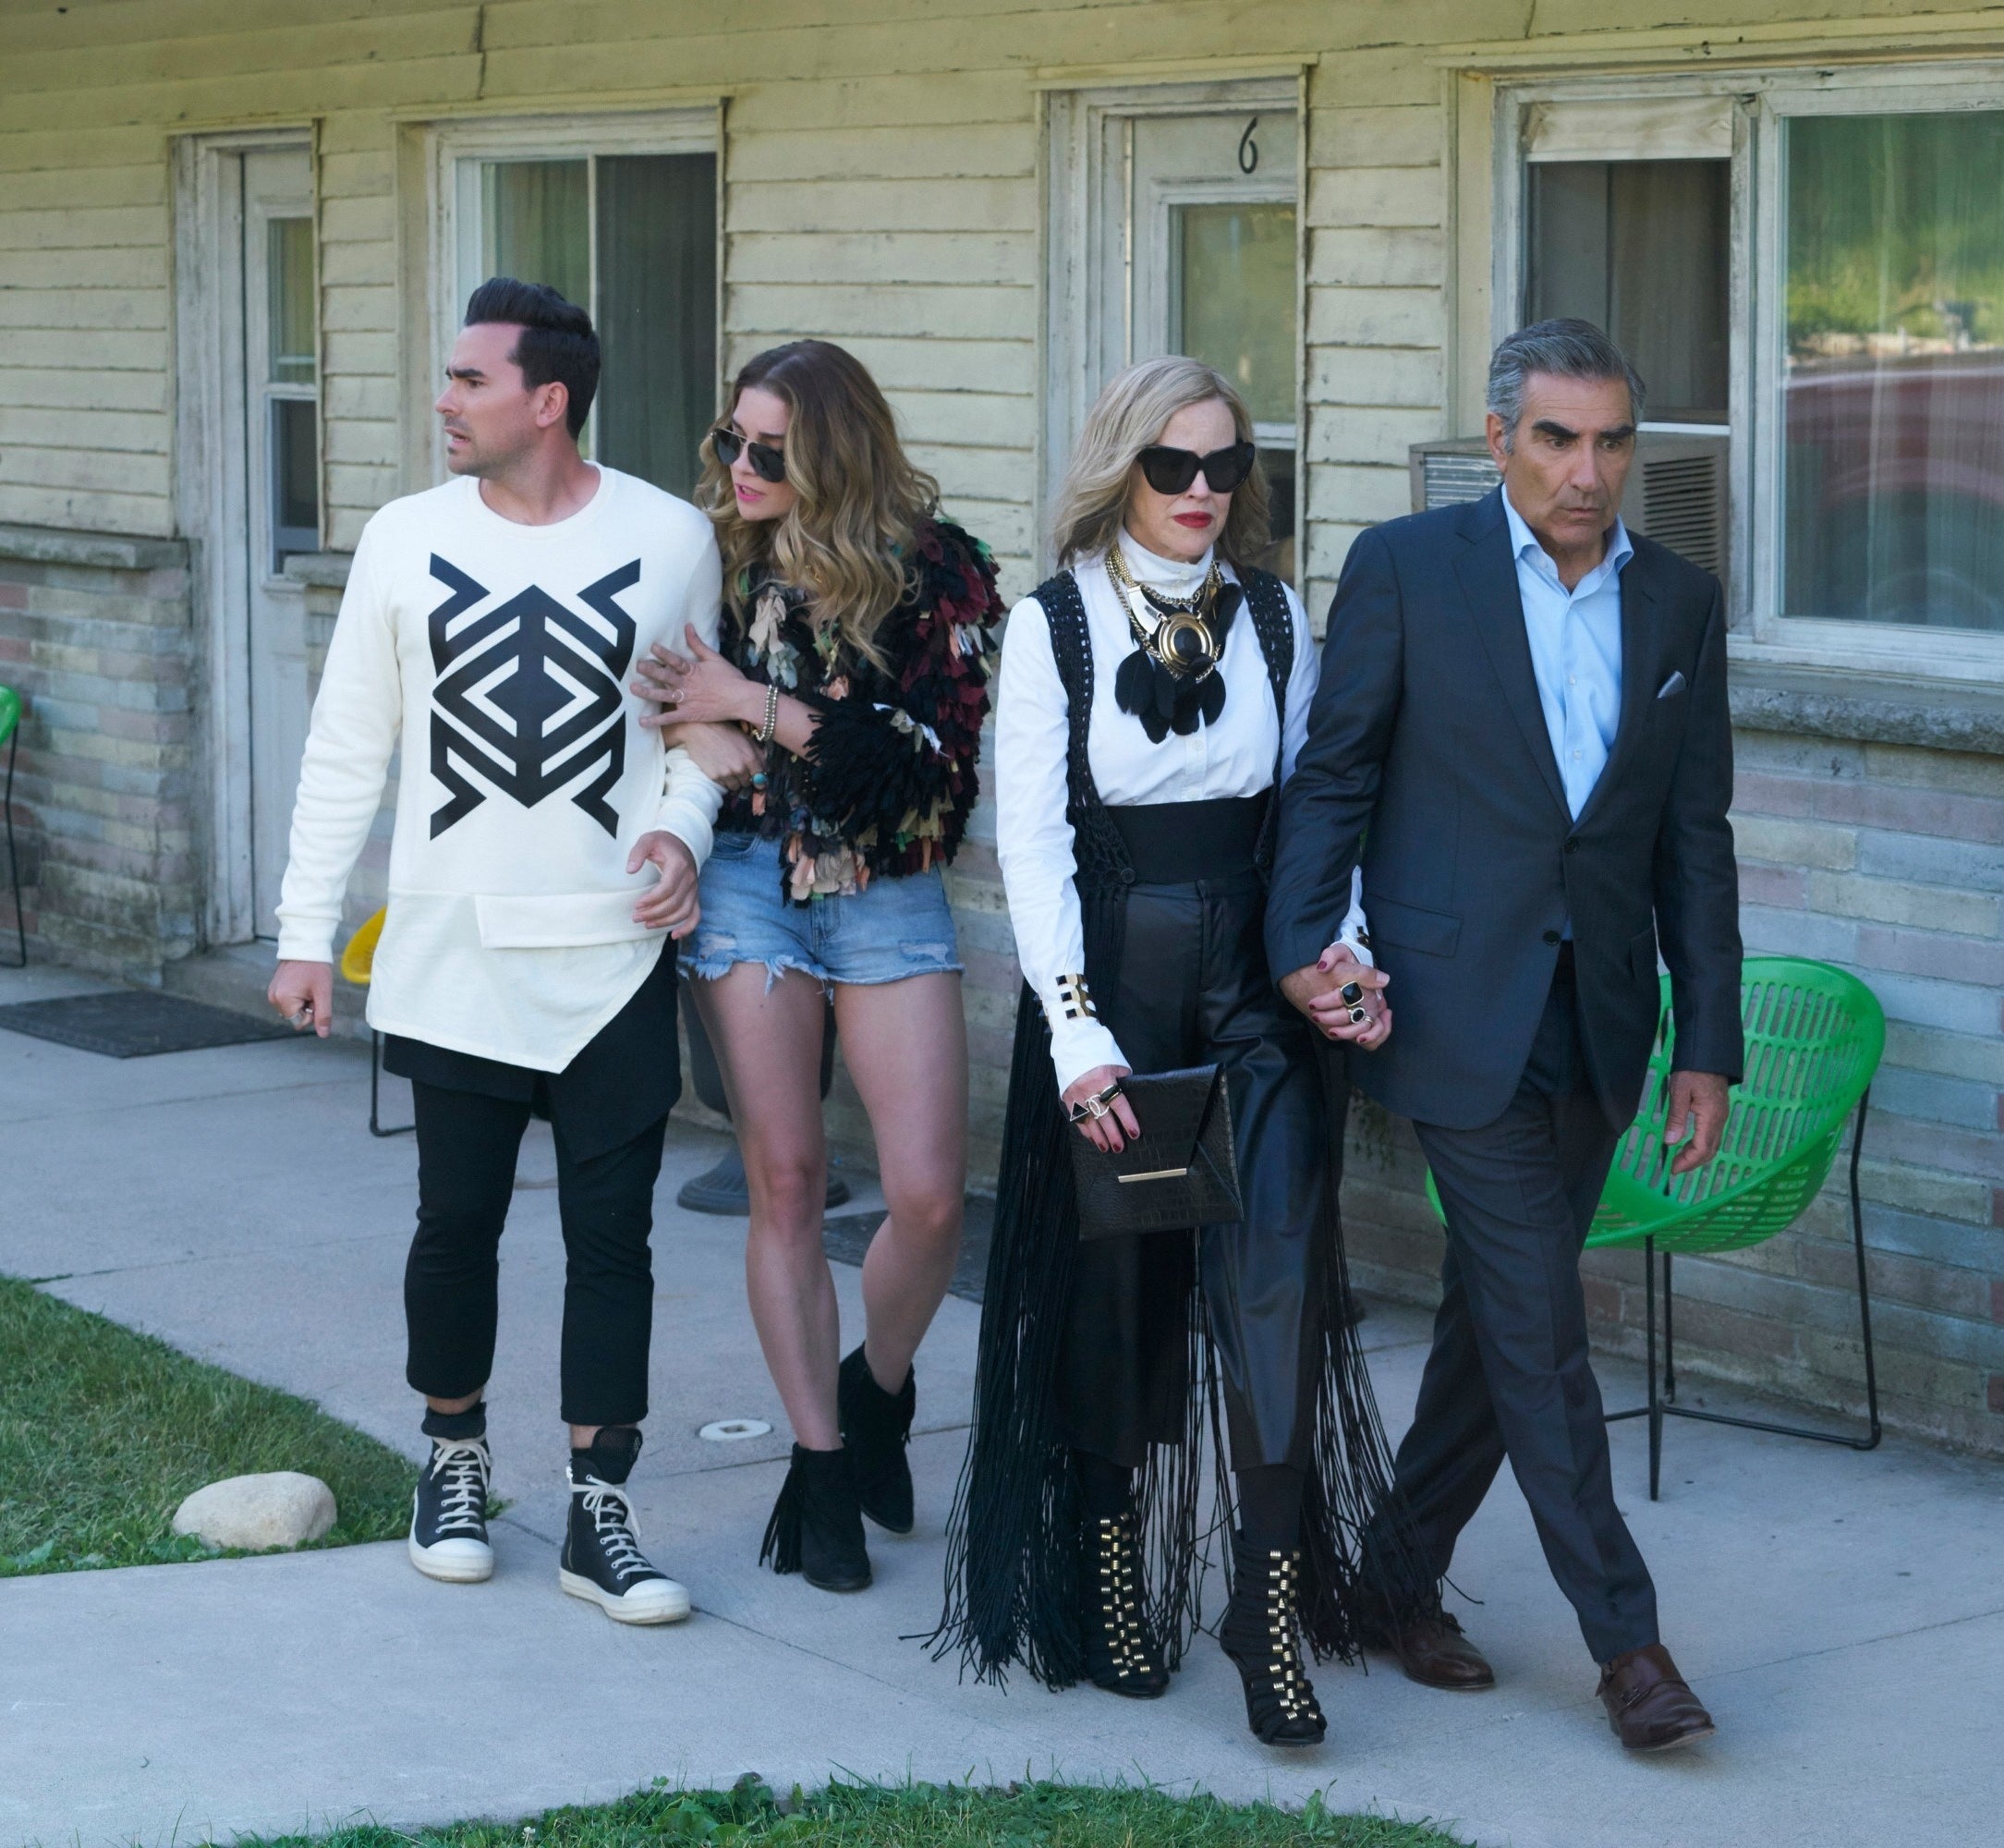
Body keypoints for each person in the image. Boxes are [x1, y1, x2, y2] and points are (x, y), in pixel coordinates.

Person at [935, 355, 1431, 1749]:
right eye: (1172, 465)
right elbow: (1028, 846)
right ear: (1118, 467)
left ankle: (1265, 1605)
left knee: (1273, 1286)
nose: (1203, 490)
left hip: (1257, 987)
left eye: (1226, 465)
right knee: (1125, 1292)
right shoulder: (1056, 628)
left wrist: (1343, 954)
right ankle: (1105, 1560)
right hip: (1119, 994)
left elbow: (1318, 810)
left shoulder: (1274, 615)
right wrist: (1077, 1035)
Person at [1266, 319, 1743, 1753]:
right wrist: (1302, 945)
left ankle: (1386, 1582)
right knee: (1542, 1330)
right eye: (1554, 437)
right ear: (1498, 440)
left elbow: (1691, 839)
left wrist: (1703, 1040)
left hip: (1595, 1024)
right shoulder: (1409, 570)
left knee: (1495, 1316)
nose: (1585, 470)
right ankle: (1628, 1646)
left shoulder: (1678, 601)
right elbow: (1335, 774)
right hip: (1448, 1008)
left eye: (1609, 441)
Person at [268, 278, 724, 1626]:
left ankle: (601, 1510)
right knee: (453, 1226)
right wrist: (305, 936)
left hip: (609, 958)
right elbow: (348, 745)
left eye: (468, 380)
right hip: (454, 950)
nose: (443, 401)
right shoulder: (403, 541)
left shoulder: (669, 535)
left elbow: (697, 729)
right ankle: (452, 1462)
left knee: (614, 1244)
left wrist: (684, 833)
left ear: (549, 400)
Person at [631, 339, 1002, 1595]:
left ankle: (879, 1387)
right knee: (784, 1179)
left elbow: (921, 772)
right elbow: (659, 713)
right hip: (744, 882)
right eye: (730, 441)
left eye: (768, 450)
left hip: (885, 890)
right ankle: (820, 1459)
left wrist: (753, 701)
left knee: (930, 1195)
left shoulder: (936, 573)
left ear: (832, 456)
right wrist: (718, 723)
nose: (738, 466)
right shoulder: (703, 556)